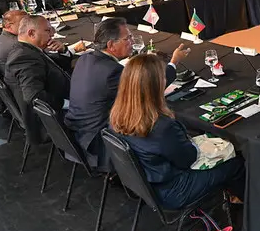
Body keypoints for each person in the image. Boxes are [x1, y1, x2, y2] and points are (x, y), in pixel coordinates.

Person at [109, 54, 245, 209]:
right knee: (237, 164)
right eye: (163, 77)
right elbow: (188, 159)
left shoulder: (116, 116)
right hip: (173, 191)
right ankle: (244, 203)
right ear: (156, 86)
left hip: (144, 185)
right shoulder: (161, 126)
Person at [66, 17, 190, 168]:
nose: (132, 41)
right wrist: (173, 63)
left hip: (78, 130)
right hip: (99, 142)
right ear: (111, 45)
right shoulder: (112, 72)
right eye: (128, 38)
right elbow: (149, 89)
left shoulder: (85, 58)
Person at [5, 15, 71, 142]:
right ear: (31, 33)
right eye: (47, 30)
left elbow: (53, 65)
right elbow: (34, 96)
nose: (52, 34)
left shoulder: (25, 49)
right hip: (54, 120)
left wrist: (63, 50)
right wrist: (67, 104)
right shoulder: (25, 58)